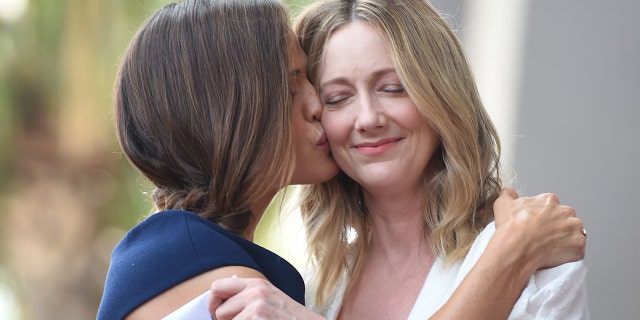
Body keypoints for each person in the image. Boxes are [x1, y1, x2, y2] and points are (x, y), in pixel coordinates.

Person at [208, 0, 588, 319]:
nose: (369, 118)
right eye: (337, 98)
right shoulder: (314, 291)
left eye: (393, 88)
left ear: (441, 96)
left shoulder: (540, 256)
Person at [96, 0, 339, 319]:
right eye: (290, 86)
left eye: (310, 79)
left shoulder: (173, 254)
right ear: (226, 112)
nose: (317, 105)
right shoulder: (220, 284)